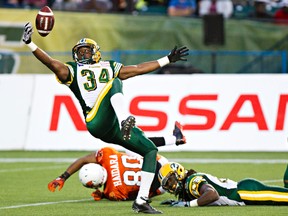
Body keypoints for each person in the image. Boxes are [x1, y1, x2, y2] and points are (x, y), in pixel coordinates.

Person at [22, 23, 189, 214]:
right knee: (114, 81)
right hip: (96, 119)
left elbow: (138, 68)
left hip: (113, 126)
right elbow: (51, 63)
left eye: (87, 51)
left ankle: (141, 201)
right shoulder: (73, 71)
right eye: (80, 52)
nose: (83, 55)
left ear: (96, 52)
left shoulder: (108, 66)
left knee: (150, 150)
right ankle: (126, 118)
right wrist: (30, 44)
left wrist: (167, 59)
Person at [48, 121, 186, 201]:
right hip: (159, 162)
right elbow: (83, 159)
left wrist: (103, 195)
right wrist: (62, 177)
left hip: (160, 187)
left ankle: (176, 141)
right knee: (133, 144)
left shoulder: (112, 193)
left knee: (142, 191)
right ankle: (175, 139)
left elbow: (127, 195)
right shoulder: (107, 155)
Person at [158, 162, 288, 207]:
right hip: (243, 194)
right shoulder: (187, 186)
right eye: (166, 185)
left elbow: (212, 194)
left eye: (170, 180)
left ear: (178, 172)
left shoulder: (191, 181)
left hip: (245, 192)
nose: (170, 186)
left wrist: (188, 204)